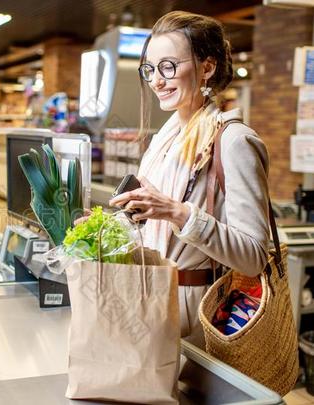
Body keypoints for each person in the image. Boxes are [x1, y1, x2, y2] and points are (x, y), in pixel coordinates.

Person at [109, 11, 270, 347]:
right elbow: (154, 227)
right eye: (150, 69)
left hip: (195, 317)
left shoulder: (233, 140)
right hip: (149, 300)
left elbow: (254, 256)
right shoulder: (166, 138)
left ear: (207, 68)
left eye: (168, 66)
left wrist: (176, 212)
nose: (156, 80)